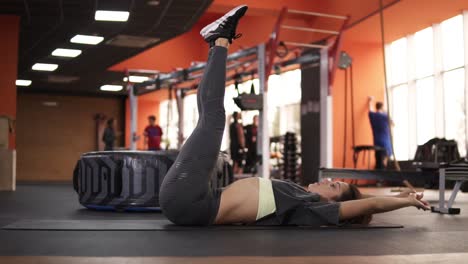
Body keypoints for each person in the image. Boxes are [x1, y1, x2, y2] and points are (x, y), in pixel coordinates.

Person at [159, 5, 430, 227]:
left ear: (333, 203)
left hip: (190, 204)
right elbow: (363, 197)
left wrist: (405, 202)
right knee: (210, 116)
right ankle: (216, 42)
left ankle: (219, 40)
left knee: (213, 119)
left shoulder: (311, 207)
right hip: (195, 197)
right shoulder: (299, 194)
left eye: (333, 185)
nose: (327, 180)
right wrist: (401, 193)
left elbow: (368, 204)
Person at [368, 96, 393, 170]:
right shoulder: (385, 116)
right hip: (385, 142)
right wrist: (385, 111)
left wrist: (370, 101)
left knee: (378, 161)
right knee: (384, 162)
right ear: (382, 107)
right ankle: (382, 179)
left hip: (377, 142)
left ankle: (378, 180)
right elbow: (392, 123)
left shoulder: (373, 116)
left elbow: (370, 109)